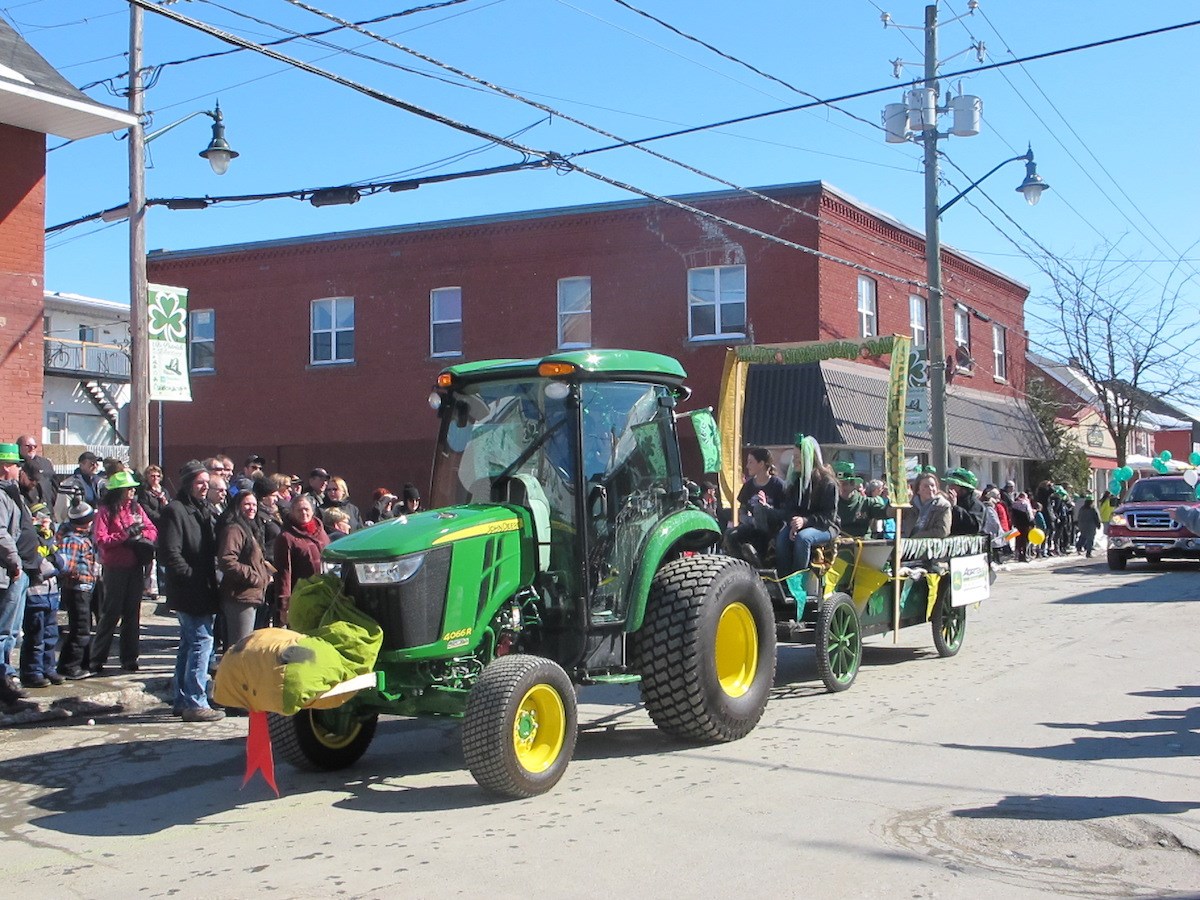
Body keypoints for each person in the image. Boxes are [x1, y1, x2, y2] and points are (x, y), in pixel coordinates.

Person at [159, 460, 223, 722]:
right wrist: (189, 576)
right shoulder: (175, 511)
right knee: (201, 643)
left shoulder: (204, 510)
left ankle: (181, 699)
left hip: (204, 586)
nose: (204, 487)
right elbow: (169, 553)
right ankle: (195, 701)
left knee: (189, 643)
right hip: (189, 589)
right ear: (188, 484)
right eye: (200, 483)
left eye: (207, 483)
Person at [90, 469, 156, 674]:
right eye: (128, 489)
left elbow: (152, 529)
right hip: (115, 568)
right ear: (118, 491)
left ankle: (129, 658)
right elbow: (101, 539)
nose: (132, 492)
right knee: (110, 614)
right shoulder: (105, 511)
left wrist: (142, 535)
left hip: (135, 566)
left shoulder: (136, 508)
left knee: (132, 615)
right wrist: (124, 536)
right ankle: (97, 658)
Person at [774, 437, 839, 577]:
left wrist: (805, 521)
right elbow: (789, 508)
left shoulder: (827, 483)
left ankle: (798, 581)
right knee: (781, 538)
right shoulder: (796, 481)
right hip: (801, 525)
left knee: (804, 538)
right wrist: (793, 523)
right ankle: (784, 579)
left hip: (826, 527)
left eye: (798, 457)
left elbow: (828, 517)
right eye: (794, 457)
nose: (794, 461)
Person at [0, 443, 34, 706]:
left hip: (16, 570)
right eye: (15, 465)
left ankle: (7, 677)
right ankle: (3, 679)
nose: (18, 469)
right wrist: (14, 562)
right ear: (4, 467)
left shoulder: (12, 494)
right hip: (7, 571)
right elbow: (1, 533)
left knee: (12, 630)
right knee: (4, 629)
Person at [217, 489, 271, 652]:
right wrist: (254, 577)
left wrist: (266, 573)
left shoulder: (249, 528)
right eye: (247, 504)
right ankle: (232, 677)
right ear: (237, 506)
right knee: (238, 647)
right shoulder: (234, 529)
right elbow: (227, 560)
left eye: (254, 504)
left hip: (250, 595)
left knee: (245, 646)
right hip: (239, 597)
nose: (251, 508)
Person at [55, 500, 98, 679]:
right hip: (77, 589)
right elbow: (67, 566)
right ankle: (70, 667)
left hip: (86, 588)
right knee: (79, 629)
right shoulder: (72, 540)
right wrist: (77, 575)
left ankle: (82, 663)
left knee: (84, 627)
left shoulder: (85, 538)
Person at [20, 511, 62, 687]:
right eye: (40, 520)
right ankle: (32, 672)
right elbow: (45, 567)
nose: (45, 523)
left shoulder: (50, 541)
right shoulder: (30, 541)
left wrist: (55, 558)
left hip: (51, 594)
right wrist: (54, 563)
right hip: (35, 595)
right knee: (35, 636)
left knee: (51, 635)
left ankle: (48, 668)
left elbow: (62, 562)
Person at [724, 447, 787, 565]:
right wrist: (749, 520)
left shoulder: (778, 485)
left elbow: (784, 513)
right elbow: (741, 511)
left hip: (772, 527)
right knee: (730, 534)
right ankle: (740, 564)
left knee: (759, 510)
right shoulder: (748, 486)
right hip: (753, 525)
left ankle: (759, 561)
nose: (747, 466)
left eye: (751, 462)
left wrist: (766, 507)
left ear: (761, 464)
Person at [274, 496, 329, 627]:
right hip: (302, 596)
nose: (304, 513)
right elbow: (284, 572)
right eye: (299, 510)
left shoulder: (320, 531)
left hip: (325, 594)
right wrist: (284, 605)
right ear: (292, 512)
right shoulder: (286, 537)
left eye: (306, 509)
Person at [834, 461, 890, 539]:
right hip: (837, 547)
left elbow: (886, 513)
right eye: (837, 484)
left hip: (863, 547)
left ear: (853, 484)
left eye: (844, 484)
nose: (841, 488)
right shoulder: (831, 504)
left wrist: (894, 500)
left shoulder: (866, 503)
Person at [16, 434, 57, 517]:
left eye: (35, 446)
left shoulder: (45, 463)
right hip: (26, 512)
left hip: (46, 510)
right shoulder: (14, 465)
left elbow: (54, 485)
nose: (32, 449)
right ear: (19, 447)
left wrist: (50, 502)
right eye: (28, 446)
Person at [905, 472, 952, 539]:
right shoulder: (911, 505)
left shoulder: (943, 506)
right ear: (918, 490)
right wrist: (901, 499)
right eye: (926, 486)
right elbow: (890, 513)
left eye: (932, 485)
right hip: (907, 544)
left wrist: (916, 537)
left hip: (931, 546)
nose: (930, 488)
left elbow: (942, 531)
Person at [943, 467, 986, 535]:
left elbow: (974, 527)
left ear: (964, 488)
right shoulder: (946, 502)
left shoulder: (976, 505)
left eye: (954, 485)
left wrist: (955, 507)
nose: (950, 488)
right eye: (950, 484)